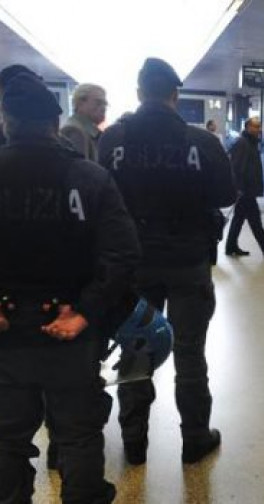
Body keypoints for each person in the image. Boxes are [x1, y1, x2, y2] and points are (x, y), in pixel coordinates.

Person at [0, 73, 141, 503]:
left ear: (6, 120)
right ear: (54, 121)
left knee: (5, 437)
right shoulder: (89, 177)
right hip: (71, 327)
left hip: (6, 330)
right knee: (79, 433)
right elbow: (123, 254)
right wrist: (85, 312)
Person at [98, 57, 236, 465]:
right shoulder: (202, 142)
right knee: (190, 352)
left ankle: (134, 442)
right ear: (176, 95)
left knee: (137, 352)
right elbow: (227, 195)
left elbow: (101, 199)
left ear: (139, 93)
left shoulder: (114, 140)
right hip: (189, 260)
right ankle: (195, 437)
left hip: (134, 265)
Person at [224, 117, 264, 257]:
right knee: (254, 219)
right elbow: (237, 167)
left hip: (247, 189)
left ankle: (231, 246)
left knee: (240, 218)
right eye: (255, 126)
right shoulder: (243, 143)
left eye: (259, 127)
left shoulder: (250, 143)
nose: (258, 129)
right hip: (245, 190)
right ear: (247, 127)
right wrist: (239, 188)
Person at [60, 83, 107, 161]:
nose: (103, 108)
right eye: (98, 102)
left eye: (105, 104)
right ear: (80, 103)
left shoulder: (88, 132)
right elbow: (80, 170)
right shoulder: (74, 132)